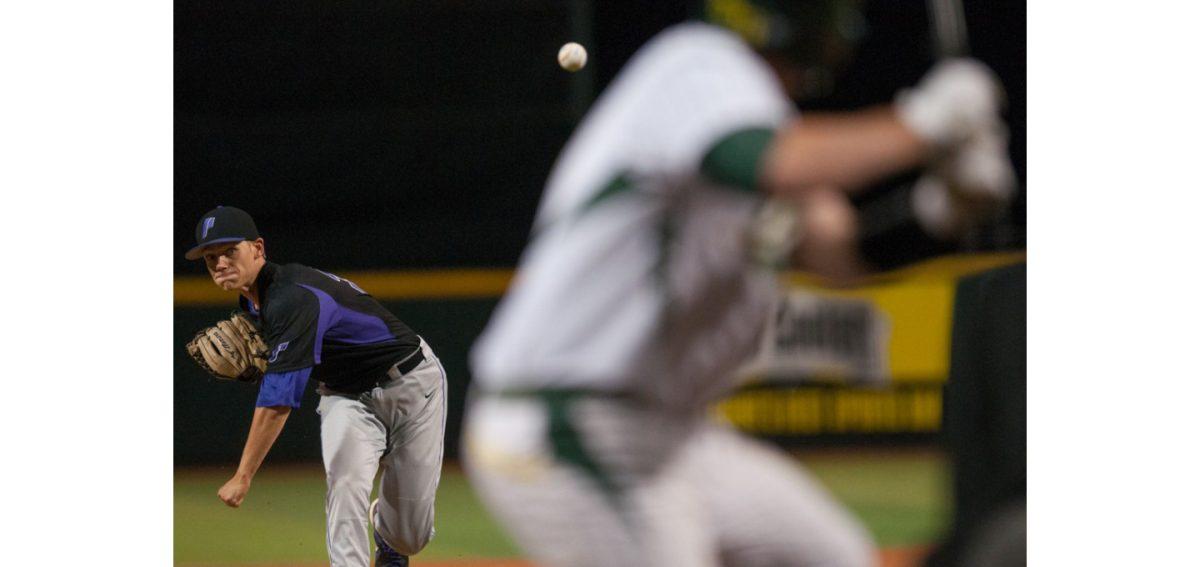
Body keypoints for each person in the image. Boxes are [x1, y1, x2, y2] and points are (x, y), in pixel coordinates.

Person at [461, 1, 1012, 565]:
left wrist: (941, 212)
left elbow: (842, 251)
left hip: (672, 433)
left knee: (837, 556)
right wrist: (923, 124)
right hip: (568, 419)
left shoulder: (758, 116)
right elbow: (775, 164)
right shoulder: (699, 65)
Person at [183, 205, 446, 567]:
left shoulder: (292, 297)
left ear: (258, 249)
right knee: (345, 484)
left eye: (230, 251)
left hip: (413, 385)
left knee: (410, 536)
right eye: (211, 257)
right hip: (344, 396)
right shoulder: (252, 301)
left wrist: (243, 476)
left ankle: (388, 534)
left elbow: (277, 402)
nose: (220, 263)